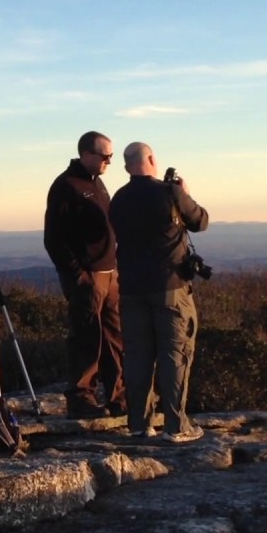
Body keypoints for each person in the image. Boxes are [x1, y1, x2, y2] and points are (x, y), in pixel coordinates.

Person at [109, 141, 209, 443]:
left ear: (127, 166)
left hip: (130, 288)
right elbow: (200, 221)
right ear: (151, 159)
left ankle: (139, 424)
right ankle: (176, 427)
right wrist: (184, 192)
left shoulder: (119, 199)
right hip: (170, 288)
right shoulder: (169, 193)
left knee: (138, 356)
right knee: (174, 354)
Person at [43, 131, 125, 419]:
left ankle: (119, 398)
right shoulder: (66, 186)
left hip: (110, 273)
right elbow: (54, 239)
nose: (109, 162)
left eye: (111, 157)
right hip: (88, 276)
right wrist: (79, 276)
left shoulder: (97, 184)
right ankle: (81, 398)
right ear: (86, 154)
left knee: (114, 336)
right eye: (105, 156)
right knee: (86, 336)